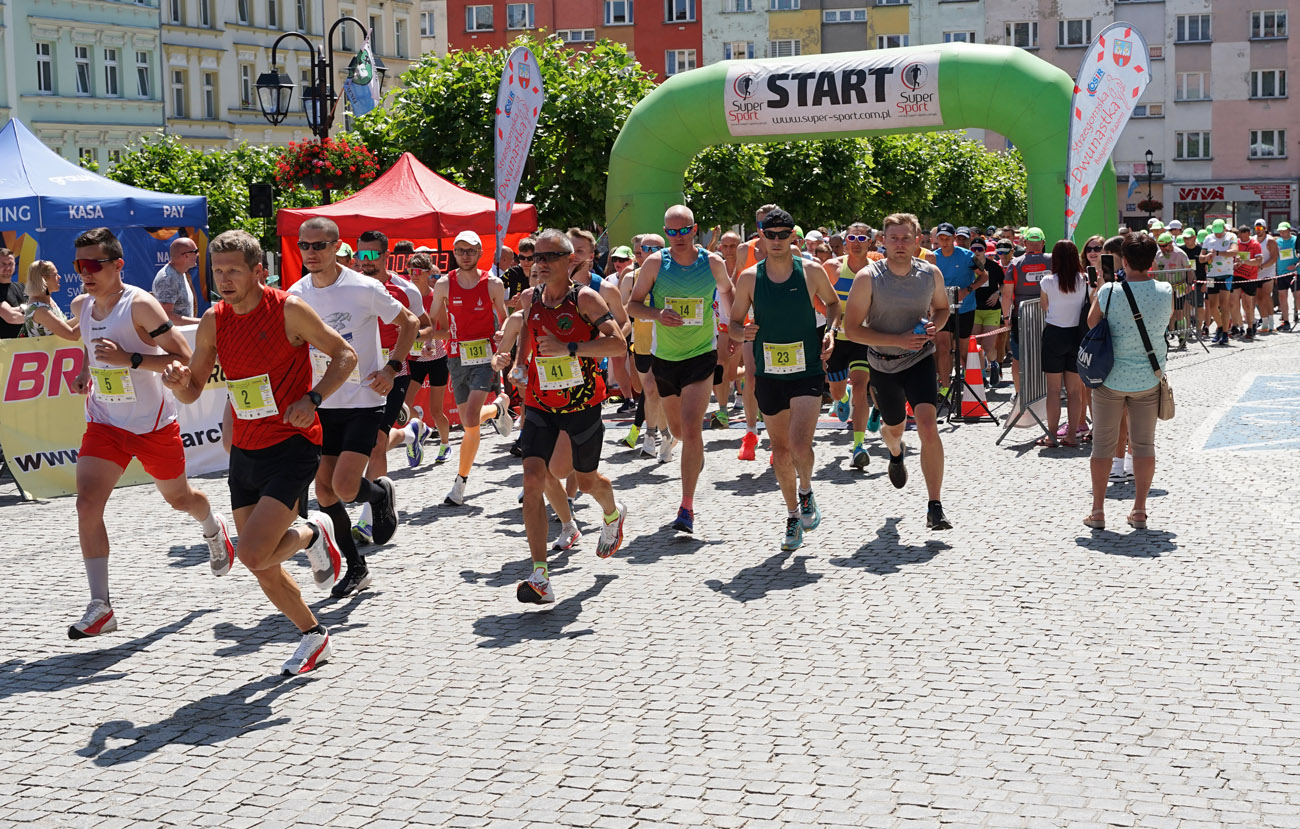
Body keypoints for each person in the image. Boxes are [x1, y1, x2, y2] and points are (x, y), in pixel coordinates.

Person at [162, 230, 360, 675]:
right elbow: (193, 391)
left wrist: (313, 397)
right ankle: (314, 635)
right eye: (218, 270)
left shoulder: (288, 309)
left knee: (251, 553)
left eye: (234, 270)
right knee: (263, 565)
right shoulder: (214, 319)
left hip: (293, 444)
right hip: (246, 452)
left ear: (258, 271)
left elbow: (344, 355)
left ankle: (313, 532)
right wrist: (179, 384)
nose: (225, 279)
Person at [65, 227, 228, 639]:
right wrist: (87, 372)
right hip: (104, 422)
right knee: (87, 505)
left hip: (153, 425)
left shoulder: (140, 305)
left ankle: (213, 528)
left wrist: (130, 358)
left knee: (179, 499)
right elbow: (90, 345)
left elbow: (184, 359)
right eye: (78, 265)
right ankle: (101, 606)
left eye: (93, 264)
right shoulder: (83, 304)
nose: (85, 272)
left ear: (117, 264)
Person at [287, 217, 415, 598]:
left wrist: (392, 368)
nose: (311, 253)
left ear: (336, 246)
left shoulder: (364, 286)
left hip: (363, 398)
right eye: (304, 246)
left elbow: (408, 322)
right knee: (324, 493)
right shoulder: (295, 294)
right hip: (323, 401)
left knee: (343, 486)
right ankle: (357, 568)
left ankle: (377, 495)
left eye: (319, 245)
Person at [508, 229, 629, 603]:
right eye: (535, 258)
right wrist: (519, 365)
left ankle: (613, 512)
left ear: (568, 261)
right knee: (533, 479)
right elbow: (528, 332)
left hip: (583, 405)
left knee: (588, 481)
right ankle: (540, 576)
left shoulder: (586, 299)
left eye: (548, 258)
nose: (539, 264)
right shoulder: (530, 298)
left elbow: (618, 345)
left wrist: (570, 347)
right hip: (542, 404)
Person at [729, 208, 840, 550]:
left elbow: (834, 305)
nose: (776, 240)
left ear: (794, 236)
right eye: (769, 234)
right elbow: (733, 324)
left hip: (806, 368)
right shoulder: (750, 278)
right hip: (769, 373)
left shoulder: (810, 271)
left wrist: (831, 332)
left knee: (800, 444)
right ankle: (793, 515)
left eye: (783, 234)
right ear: (759, 237)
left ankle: (806, 490)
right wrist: (743, 332)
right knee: (779, 450)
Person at [627, 205, 735, 533]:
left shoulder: (712, 262)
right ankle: (690, 452)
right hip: (665, 358)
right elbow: (632, 305)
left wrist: (728, 332)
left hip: (701, 355)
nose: (677, 238)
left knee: (691, 428)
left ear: (694, 229)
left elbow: (728, 294)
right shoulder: (656, 263)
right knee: (676, 430)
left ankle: (686, 507)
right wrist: (657, 314)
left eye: (683, 230)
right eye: (670, 232)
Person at [844, 213, 953, 530]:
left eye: (906, 238)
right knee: (894, 429)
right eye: (894, 238)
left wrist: (936, 325)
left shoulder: (930, 274)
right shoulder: (868, 277)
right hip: (882, 363)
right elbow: (852, 330)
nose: (900, 244)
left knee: (928, 426)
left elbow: (943, 308)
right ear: (883, 241)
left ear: (918, 241)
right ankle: (894, 452)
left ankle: (935, 506)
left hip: (920, 358)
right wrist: (897, 340)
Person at [1084, 234, 1173, 531]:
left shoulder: (1109, 290)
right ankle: (1139, 510)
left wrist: (1100, 288)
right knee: (1144, 445)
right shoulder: (1165, 290)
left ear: (1123, 259)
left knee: (1102, 446)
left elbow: (1092, 322)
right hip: (1148, 377)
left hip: (1110, 377)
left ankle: (1097, 510)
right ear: (1153, 259)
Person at [350, 230, 425, 545]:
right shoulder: (349, 287)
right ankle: (410, 434)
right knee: (368, 440)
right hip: (358, 374)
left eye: (371, 255)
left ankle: (370, 517)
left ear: (384, 256)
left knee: (377, 444)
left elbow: (423, 326)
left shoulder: (405, 290)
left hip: (394, 373)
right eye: (360, 255)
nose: (364, 262)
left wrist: (399, 349)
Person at [428, 230, 513, 506]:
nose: (465, 256)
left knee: (471, 417)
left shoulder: (493, 284)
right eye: (460, 251)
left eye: (470, 251)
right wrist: (429, 341)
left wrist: (502, 336)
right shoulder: (443, 284)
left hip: (485, 357)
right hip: (456, 357)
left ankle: (459, 483)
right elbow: (434, 321)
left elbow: (505, 319)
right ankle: (499, 409)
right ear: (454, 254)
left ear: (479, 253)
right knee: (469, 421)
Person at [825, 221, 882, 469]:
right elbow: (819, 300)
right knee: (837, 391)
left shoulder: (877, 270)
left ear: (870, 242)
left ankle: (858, 445)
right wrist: (832, 326)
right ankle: (842, 396)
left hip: (863, 338)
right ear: (845, 241)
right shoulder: (832, 267)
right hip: (837, 338)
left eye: (862, 239)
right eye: (852, 238)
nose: (856, 244)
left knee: (861, 387)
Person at [621, 233, 670, 460]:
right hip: (641, 343)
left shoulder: (674, 276)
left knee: (655, 390)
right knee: (649, 391)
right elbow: (623, 312)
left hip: (668, 343)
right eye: (645, 249)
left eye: (654, 249)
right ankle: (666, 435)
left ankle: (650, 437)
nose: (649, 254)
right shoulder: (631, 278)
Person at [1037, 240, 1090, 447]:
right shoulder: (1084, 280)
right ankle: (1071, 435)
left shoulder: (1048, 281)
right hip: (1077, 335)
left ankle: (1051, 435)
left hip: (1054, 335)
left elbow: (1044, 305)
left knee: (1053, 390)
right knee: (1075, 391)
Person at [405, 253, 452, 464]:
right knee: (404, 406)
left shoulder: (435, 298)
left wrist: (427, 338)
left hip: (436, 358)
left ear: (427, 273)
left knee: (436, 409)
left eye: (417, 272)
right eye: (410, 271)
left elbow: (446, 332)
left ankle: (445, 444)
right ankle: (422, 428)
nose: (412, 276)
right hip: (413, 358)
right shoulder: (405, 296)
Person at [1002, 227, 1050, 399]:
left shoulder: (1015, 264)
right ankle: (1048, 391)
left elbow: (1007, 294)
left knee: (1018, 357)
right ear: (1043, 243)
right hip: (1049, 316)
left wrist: (1006, 317)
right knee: (1047, 354)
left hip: (1021, 316)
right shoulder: (1052, 261)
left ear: (1024, 243)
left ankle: (1019, 393)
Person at [969, 239, 1005, 383]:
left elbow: (1004, 284)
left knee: (989, 347)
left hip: (992, 310)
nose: (977, 252)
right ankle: (982, 376)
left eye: (980, 249)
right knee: (976, 346)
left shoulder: (993, 266)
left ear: (984, 250)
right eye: (973, 249)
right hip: (975, 309)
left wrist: (997, 294)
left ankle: (994, 363)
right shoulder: (969, 266)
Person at [1199, 220, 1237, 345]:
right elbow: (1200, 258)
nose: (1218, 235)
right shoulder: (1208, 238)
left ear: (1224, 229)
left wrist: (1219, 253)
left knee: (1224, 304)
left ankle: (1225, 332)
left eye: (1220, 232)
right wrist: (1208, 256)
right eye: (1216, 233)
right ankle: (1220, 327)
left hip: (1226, 274)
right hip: (1211, 275)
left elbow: (1234, 251)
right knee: (1212, 306)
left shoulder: (1231, 236)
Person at [21, 261, 78, 340]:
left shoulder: (47, 300)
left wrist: (83, 316)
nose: (59, 277)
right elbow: (71, 335)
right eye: (55, 275)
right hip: (43, 352)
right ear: (44, 279)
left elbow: (64, 326)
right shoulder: (39, 309)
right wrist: (89, 317)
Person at [152, 237, 201, 326]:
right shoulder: (168, 279)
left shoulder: (181, 273)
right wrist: (201, 322)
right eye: (195, 251)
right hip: (173, 338)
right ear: (186, 256)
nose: (198, 255)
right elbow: (166, 317)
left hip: (184, 335)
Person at [1231, 225, 1264, 340]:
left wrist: (1244, 262)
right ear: (1239, 234)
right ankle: (1237, 326)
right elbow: (1231, 258)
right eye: (1242, 236)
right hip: (1236, 276)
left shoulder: (1255, 245)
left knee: (1248, 304)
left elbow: (1258, 261)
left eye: (1246, 236)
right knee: (1233, 302)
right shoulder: (1236, 244)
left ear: (1249, 234)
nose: (1243, 238)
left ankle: (1250, 326)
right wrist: (1234, 265)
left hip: (1250, 277)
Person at [1252, 220, 1280, 333]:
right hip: (1256, 272)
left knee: (1266, 295)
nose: (1258, 231)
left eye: (1260, 228)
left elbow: (1274, 258)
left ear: (1265, 228)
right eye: (1256, 228)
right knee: (1258, 298)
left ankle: (1272, 322)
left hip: (1268, 271)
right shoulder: (1253, 239)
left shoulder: (1270, 240)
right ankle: (1264, 322)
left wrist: (1262, 266)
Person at [0, 247, 28, 338]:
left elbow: (35, 307)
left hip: (26, 346)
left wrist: (17, 309)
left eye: (10, 264)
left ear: (15, 265)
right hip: (4, 348)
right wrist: (38, 318)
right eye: (3, 264)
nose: (7, 267)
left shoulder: (22, 287)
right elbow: (11, 317)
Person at [1275, 222, 1296, 331]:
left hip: (1296, 273)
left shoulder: (1296, 241)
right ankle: (1286, 321)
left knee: (1297, 296)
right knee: (1282, 297)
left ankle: (1296, 313)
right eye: (1280, 232)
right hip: (1281, 273)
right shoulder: (1277, 242)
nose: (1282, 234)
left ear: (1289, 230)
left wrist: (1296, 265)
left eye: (1284, 231)